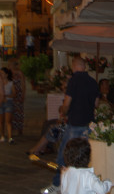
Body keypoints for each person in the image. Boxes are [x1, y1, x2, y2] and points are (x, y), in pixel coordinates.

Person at [44, 56, 100, 194]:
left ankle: (57, 183)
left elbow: (67, 102)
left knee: (64, 154)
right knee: (84, 156)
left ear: (74, 66)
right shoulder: (93, 82)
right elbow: (96, 104)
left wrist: (63, 111)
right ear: (84, 66)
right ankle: (83, 185)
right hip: (89, 123)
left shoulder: (73, 81)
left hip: (75, 123)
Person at [0, 67, 16, 143]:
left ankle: (10, 137)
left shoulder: (10, 83)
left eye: (2, 73)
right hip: (0, 102)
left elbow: (14, 93)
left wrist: (6, 96)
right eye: (0, 73)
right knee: (1, 121)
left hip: (8, 102)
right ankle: (2, 135)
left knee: (8, 121)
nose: (1, 75)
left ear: (6, 74)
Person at [9, 59, 26, 136]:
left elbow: (23, 84)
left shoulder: (19, 73)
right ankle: (11, 128)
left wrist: (23, 94)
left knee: (18, 111)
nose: (10, 66)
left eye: (11, 64)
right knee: (11, 111)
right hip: (10, 93)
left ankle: (19, 129)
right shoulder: (8, 73)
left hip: (18, 93)